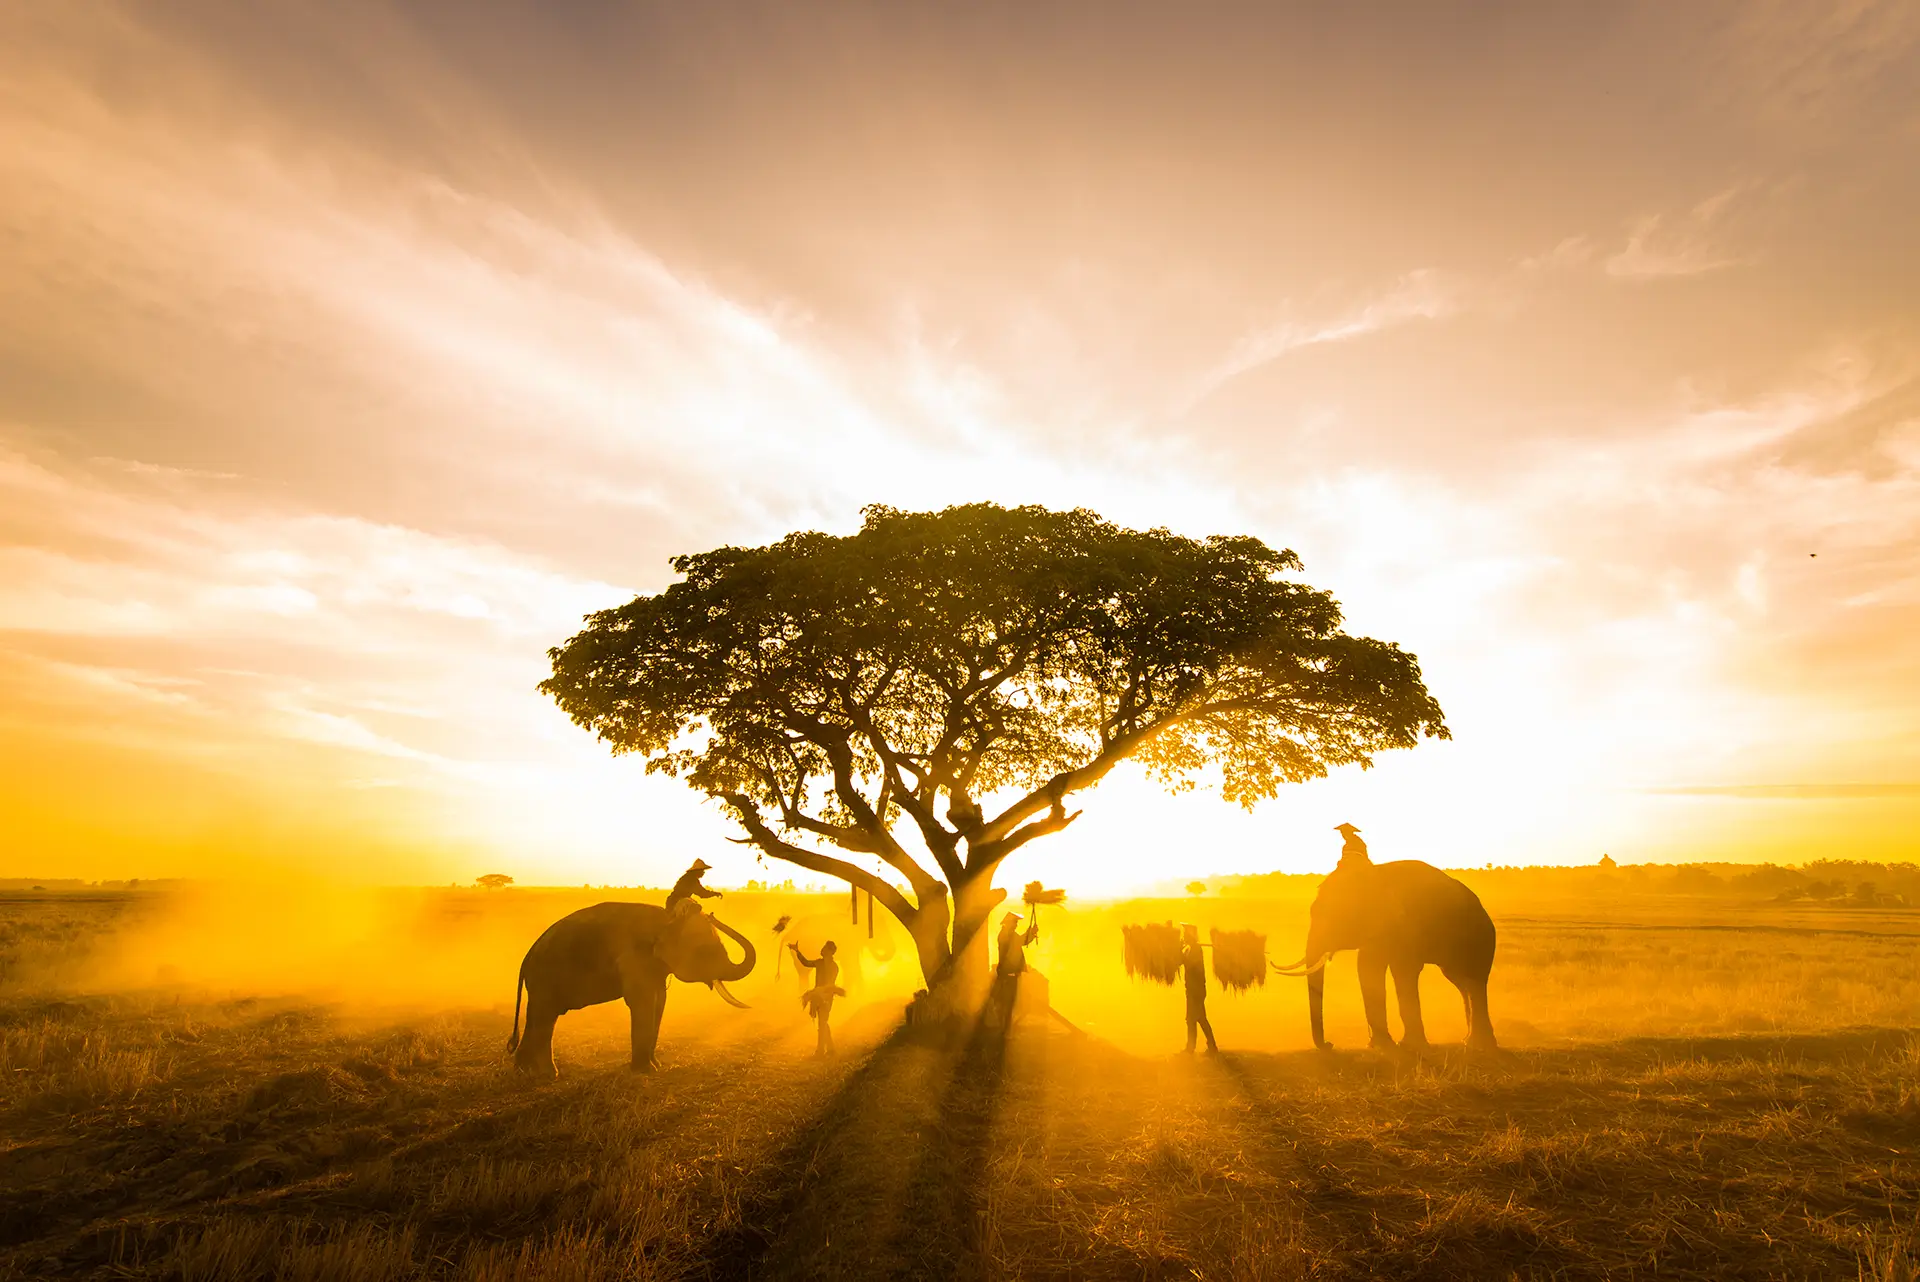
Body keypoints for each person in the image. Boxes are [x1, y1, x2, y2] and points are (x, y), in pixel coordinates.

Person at [790, 940, 842, 1057]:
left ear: (830, 951)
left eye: (824, 948)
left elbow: (831, 983)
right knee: (823, 1023)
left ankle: (820, 1051)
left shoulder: (834, 967)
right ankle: (830, 1049)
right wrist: (797, 951)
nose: (822, 949)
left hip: (826, 997)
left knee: (822, 1023)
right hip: (818, 996)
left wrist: (822, 993)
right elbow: (806, 963)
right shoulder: (819, 962)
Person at [993, 910, 1040, 1027]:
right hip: (1008, 975)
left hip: (1009, 975)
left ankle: (1004, 1026)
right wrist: (1031, 932)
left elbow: (1021, 941)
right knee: (1007, 1003)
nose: (1016, 925)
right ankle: (1003, 1026)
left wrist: (1031, 932)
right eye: (1015, 922)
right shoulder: (1006, 935)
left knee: (1008, 1003)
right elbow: (1021, 941)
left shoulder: (1008, 934)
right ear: (1009, 923)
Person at [1181, 923, 1218, 1054]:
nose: (1184, 936)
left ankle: (1193, 1048)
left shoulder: (1195, 950)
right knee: (1196, 1018)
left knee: (1195, 1019)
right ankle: (1208, 1046)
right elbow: (1182, 960)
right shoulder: (1190, 948)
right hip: (1193, 990)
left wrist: (1179, 952)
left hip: (1196, 991)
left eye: (1185, 934)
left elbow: (1189, 963)